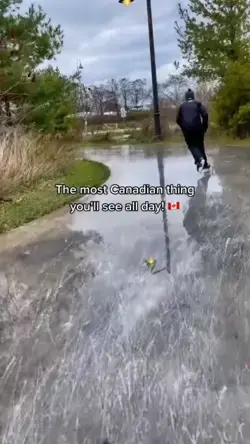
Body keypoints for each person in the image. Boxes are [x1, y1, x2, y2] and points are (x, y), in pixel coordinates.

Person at [176, 88, 210, 172]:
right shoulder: (197, 104)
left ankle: (200, 160)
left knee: (192, 146)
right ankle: (203, 163)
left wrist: (183, 127)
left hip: (187, 130)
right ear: (193, 96)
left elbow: (178, 119)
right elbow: (205, 114)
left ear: (186, 97)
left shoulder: (182, 106)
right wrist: (204, 126)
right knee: (199, 145)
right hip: (198, 128)